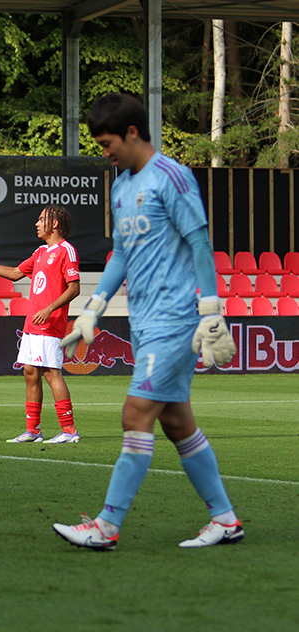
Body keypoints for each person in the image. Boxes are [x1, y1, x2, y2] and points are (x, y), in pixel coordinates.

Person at [53, 93, 239, 550]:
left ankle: (107, 526)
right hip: (146, 320)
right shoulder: (119, 188)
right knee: (176, 423)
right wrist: (93, 309)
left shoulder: (171, 176)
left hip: (176, 321)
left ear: (132, 133)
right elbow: (121, 254)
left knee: (135, 413)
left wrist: (211, 309)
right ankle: (226, 519)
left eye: (107, 143)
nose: (105, 152)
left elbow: (198, 240)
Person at [0, 205, 81, 444]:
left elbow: (74, 287)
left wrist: (49, 308)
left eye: (41, 219)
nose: (36, 223)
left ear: (55, 224)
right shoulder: (41, 252)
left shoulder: (66, 251)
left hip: (49, 322)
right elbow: (15, 273)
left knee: (51, 372)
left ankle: (69, 430)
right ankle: (33, 430)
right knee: (30, 373)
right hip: (32, 324)